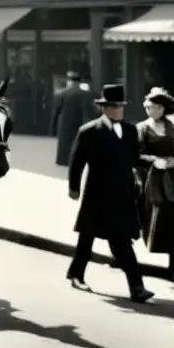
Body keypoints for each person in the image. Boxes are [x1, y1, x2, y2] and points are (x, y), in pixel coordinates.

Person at [66, 84, 154, 302]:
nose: (117, 110)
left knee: (121, 241)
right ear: (103, 108)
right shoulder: (89, 131)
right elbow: (76, 162)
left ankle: (136, 287)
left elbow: (134, 158)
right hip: (97, 193)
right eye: (113, 106)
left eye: (120, 106)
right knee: (87, 237)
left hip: (122, 195)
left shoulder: (131, 131)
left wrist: (152, 162)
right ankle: (77, 274)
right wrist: (74, 187)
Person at [135, 87, 174, 279]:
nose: (149, 110)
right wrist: (152, 160)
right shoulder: (141, 128)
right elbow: (134, 155)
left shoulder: (172, 127)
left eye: (154, 107)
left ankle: (172, 266)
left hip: (171, 179)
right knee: (151, 217)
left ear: (162, 108)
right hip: (149, 179)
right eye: (148, 106)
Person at [50, 71, 96, 166]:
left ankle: (63, 161)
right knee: (80, 143)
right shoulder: (87, 94)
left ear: (69, 81)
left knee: (65, 145)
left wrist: (52, 128)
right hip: (80, 122)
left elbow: (55, 113)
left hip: (65, 123)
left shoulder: (61, 94)